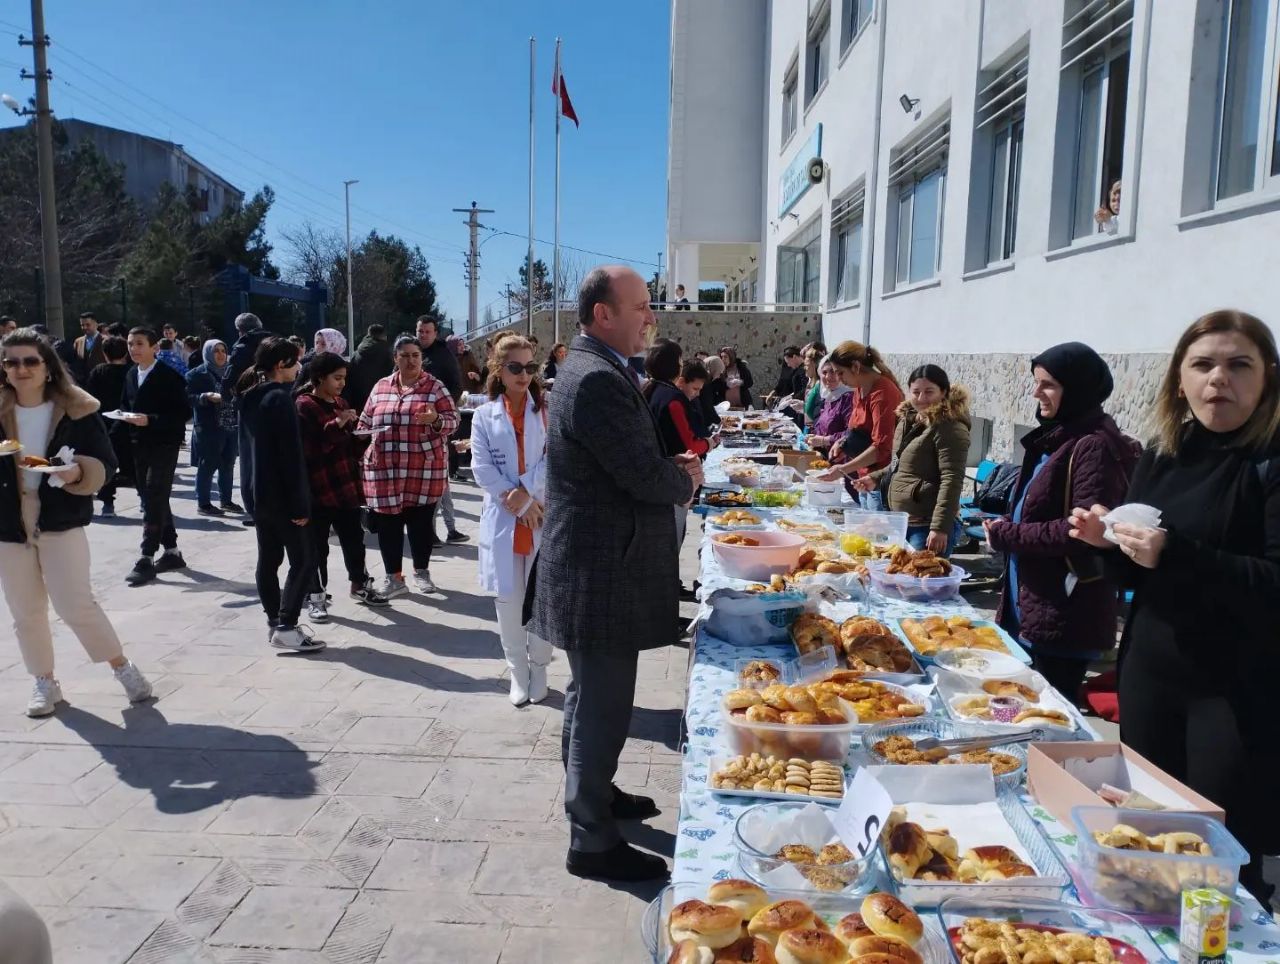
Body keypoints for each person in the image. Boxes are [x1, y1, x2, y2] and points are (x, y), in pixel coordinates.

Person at [1069, 310, 1280, 905]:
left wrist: (1176, 553)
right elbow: (1142, 569)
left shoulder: (1270, 461)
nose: (1220, 379)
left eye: (1239, 365)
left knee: (1216, 867)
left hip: (1234, 697)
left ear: (1267, 377)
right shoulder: (1166, 451)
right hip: (1153, 678)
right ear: (1180, 379)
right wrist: (1105, 544)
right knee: (1146, 846)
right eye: (1204, 364)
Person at [529, 265, 703, 882]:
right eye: (640, 308)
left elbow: (624, 462)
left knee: (589, 699)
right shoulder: (597, 378)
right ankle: (591, 839)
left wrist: (665, 466)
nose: (650, 318)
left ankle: (594, 796)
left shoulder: (595, 368)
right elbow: (638, 475)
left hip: (596, 565)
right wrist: (682, 478)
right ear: (604, 314)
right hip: (598, 572)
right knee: (602, 705)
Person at [0, 328, 153, 716]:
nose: (21, 369)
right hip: (8, 519)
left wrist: (77, 473)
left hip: (59, 516)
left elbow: (106, 462)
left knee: (75, 603)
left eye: (30, 361)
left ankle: (121, 666)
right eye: (11, 362)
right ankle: (44, 681)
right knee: (25, 610)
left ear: (48, 367)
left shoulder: (76, 408)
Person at [984, 342, 1137, 702]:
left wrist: (1008, 534)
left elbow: (1080, 531)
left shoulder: (1094, 446)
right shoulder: (1059, 436)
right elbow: (1038, 507)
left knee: (1046, 723)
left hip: (1065, 614)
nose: (1036, 392)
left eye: (1048, 384)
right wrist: (1009, 520)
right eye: (1036, 382)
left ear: (1078, 388)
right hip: (1034, 605)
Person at [471, 334, 552, 706]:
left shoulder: (547, 411)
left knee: (540, 599)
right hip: (507, 518)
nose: (523, 375)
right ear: (499, 371)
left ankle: (540, 669)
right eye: (515, 367)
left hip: (541, 515)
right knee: (508, 600)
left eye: (530, 367)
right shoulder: (484, 416)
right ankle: (517, 672)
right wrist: (516, 499)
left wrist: (527, 494)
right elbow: (481, 467)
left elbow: (557, 460)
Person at [237, 337, 325, 652]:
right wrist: (300, 503)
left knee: (269, 559)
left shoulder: (248, 397)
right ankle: (287, 624)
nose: (299, 367)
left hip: (257, 494)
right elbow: (290, 456)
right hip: (283, 496)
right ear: (281, 365)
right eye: (295, 361)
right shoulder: (279, 399)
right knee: (304, 559)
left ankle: (274, 622)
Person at [359, 335, 460, 598]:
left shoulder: (435, 387)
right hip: (385, 468)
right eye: (404, 355)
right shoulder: (381, 387)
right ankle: (394, 578)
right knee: (389, 524)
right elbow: (365, 421)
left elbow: (453, 421)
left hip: (422, 468)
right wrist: (360, 432)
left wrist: (436, 418)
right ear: (396, 359)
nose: (410, 360)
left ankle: (422, 572)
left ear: (421, 358)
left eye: (415, 355)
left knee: (420, 524)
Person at [295, 352, 390, 621]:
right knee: (316, 547)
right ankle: (315, 595)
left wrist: (363, 437)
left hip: (345, 485)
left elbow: (346, 444)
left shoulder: (341, 402)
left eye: (344, 378)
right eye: (336, 378)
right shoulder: (304, 404)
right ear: (319, 377)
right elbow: (319, 443)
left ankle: (359, 584)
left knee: (353, 540)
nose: (341, 384)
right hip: (318, 488)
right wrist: (340, 423)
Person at [855, 365, 971, 555]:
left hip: (928, 526)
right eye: (916, 392)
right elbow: (901, 465)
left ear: (944, 392)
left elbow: (952, 480)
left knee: (924, 583)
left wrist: (940, 528)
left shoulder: (950, 427)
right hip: (903, 522)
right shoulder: (909, 420)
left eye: (929, 392)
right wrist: (875, 478)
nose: (921, 399)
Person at [121, 327, 191, 586]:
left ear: (154, 348)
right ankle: (172, 552)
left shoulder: (168, 376)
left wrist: (150, 420)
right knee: (153, 495)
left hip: (164, 444)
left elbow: (181, 413)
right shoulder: (131, 374)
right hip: (139, 445)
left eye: (139, 343)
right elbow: (125, 407)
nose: (133, 349)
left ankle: (146, 557)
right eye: (130, 344)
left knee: (153, 494)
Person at [646, 342, 711, 551]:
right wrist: (708, 444)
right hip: (673, 475)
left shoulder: (649, 388)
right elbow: (689, 444)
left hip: (659, 473)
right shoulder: (672, 398)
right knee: (673, 538)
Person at [819, 340, 905, 482]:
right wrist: (843, 444)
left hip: (879, 480)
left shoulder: (882, 394)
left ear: (855, 367)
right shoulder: (859, 389)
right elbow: (859, 430)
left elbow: (882, 447)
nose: (839, 379)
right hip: (863, 475)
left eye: (841, 373)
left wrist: (843, 469)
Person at [417, 316, 467, 544]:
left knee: (438, 479)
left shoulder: (444, 356)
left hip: (438, 424)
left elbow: (456, 386)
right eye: (420, 331)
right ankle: (441, 530)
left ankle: (441, 530)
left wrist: (441, 412)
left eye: (427, 331)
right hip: (415, 425)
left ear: (435, 333)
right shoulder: (411, 352)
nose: (423, 335)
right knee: (436, 481)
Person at [222, 313, 272, 526]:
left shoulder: (242, 347)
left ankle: (255, 509)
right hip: (275, 402)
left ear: (239, 330)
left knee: (250, 462)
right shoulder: (275, 342)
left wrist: (227, 396)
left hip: (251, 409)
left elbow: (230, 378)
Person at [186, 339, 242, 516]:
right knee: (208, 465)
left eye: (223, 350)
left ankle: (226, 501)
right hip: (209, 426)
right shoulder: (196, 374)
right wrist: (205, 397)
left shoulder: (232, 372)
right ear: (208, 353)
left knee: (228, 464)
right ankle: (203, 504)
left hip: (231, 425)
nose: (220, 354)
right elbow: (187, 398)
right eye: (216, 351)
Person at [85, 335, 131, 517]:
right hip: (128, 422)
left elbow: (90, 397)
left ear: (104, 354)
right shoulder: (132, 371)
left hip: (103, 423)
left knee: (107, 465)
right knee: (134, 465)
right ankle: (145, 500)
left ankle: (108, 504)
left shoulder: (98, 371)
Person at [805, 355, 855, 456]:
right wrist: (814, 436)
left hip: (841, 460)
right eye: (824, 372)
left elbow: (852, 433)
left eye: (833, 371)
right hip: (825, 456)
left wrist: (824, 440)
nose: (828, 376)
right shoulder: (829, 396)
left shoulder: (848, 398)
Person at [345, 323, 393, 413]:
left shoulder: (356, 353)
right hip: (380, 400)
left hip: (357, 401)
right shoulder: (387, 353)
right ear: (384, 336)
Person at [72, 312, 106, 384]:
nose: (84, 327)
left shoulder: (106, 340)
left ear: (96, 325)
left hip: (102, 381)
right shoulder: (78, 342)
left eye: (87, 325)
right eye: (82, 325)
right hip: (84, 383)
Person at [699, 354, 726, 429]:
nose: (719, 374)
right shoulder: (704, 383)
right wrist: (718, 421)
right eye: (718, 370)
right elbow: (707, 405)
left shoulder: (705, 381)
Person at [801, 346, 824, 427]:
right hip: (808, 427)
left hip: (815, 430)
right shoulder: (811, 382)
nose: (804, 368)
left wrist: (802, 407)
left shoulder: (820, 386)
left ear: (814, 365)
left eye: (806, 365)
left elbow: (815, 410)